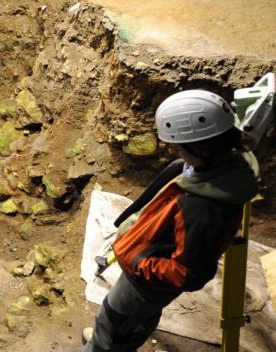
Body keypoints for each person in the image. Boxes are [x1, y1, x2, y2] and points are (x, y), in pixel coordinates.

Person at [82, 89, 259, 352]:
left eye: (178, 146)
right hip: (150, 262)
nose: (174, 150)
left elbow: (190, 274)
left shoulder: (200, 208)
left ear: (201, 147)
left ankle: (105, 344)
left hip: (144, 283)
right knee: (129, 320)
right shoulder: (224, 162)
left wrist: (139, 262)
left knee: (115, 319)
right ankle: (112, 338)